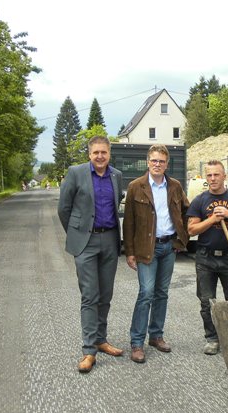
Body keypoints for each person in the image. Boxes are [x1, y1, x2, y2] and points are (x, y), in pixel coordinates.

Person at [57, 136, 125, 373]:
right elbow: (63, 208)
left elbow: (116, 207)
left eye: (103, 153)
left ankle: (101, 339)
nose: (100, 156)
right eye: (95, 152)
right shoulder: (76, 173)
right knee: (90, 296)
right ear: (89, 154)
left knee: (106, 294)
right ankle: (88, 351)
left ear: (109, 154)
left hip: (109, 239)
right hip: (85, 242)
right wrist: (77, 234)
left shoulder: (116, 175)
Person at [123, 144, 190, 364]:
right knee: (146, 293)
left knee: (162, 293)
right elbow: (129, 222)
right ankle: (136, 342)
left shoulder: (175, 186)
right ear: (148, 162)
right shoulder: (136, 187)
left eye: (161, 161)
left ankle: (156, 336)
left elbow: (186, 213)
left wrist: (181, 239)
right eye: (154, 160)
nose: (157, 164)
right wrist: (129, 252)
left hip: (168, 247)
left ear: (167, 164)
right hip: (145, 248)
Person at [187, 160, 228, 355]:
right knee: (207, 301)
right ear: (206, 178)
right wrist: (212, 219)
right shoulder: (200, 201)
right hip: (205, 258)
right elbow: (191, 229)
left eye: (216, 175)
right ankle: (212, 339)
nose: (213, 179)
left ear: (224, 176)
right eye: (209, 175)